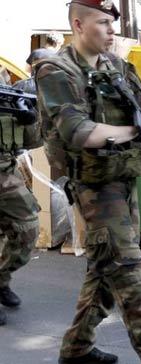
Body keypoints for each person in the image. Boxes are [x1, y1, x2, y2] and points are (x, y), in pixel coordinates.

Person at [35, 1, 141, 363]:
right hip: (95, 189)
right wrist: (136, 131)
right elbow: (78, 131)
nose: (112, 30)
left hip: (124, 181)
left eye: (112, 23)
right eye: (103, 23)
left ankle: (76, 350)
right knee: (133, 280)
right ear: (79, 25)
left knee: (104, 273)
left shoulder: (114, 64)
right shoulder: (56, 69)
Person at [0, 85, 41, 327]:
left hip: (7, 173)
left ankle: (1, 280)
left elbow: (32, 141)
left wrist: (30, 117)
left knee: (28, 230)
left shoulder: (9, 92)